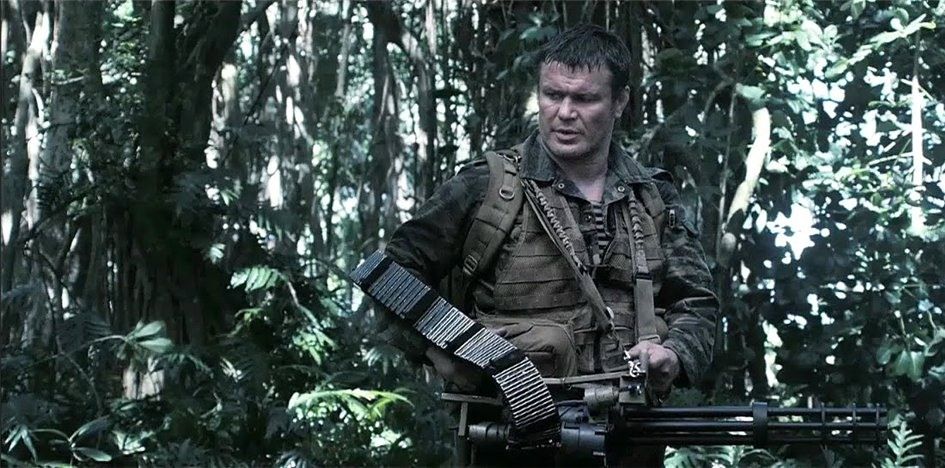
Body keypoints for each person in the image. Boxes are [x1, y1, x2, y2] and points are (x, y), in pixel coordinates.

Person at [380, 24, 718, 465]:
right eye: (552, 95)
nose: (564, 112)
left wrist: (673, 355)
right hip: (509, 440)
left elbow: (696, 301)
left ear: (620, 102)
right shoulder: (487, 187)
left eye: (585, 99)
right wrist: (441, 352)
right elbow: (391, 277)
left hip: (629, 442)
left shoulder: (652, 197)